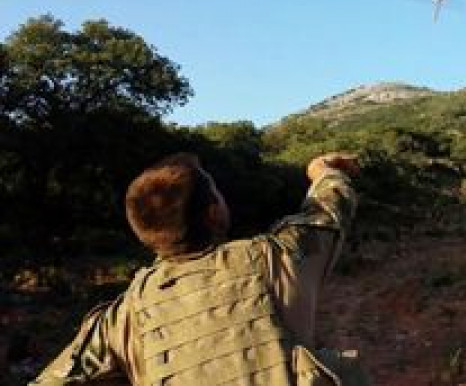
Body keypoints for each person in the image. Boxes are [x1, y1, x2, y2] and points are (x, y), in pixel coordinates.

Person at [31, 151, 363, 385]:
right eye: (216, 192)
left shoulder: (124, 317)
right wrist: (322, 170)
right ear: (213, 215)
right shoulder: (272, 257)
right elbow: (327, 211)